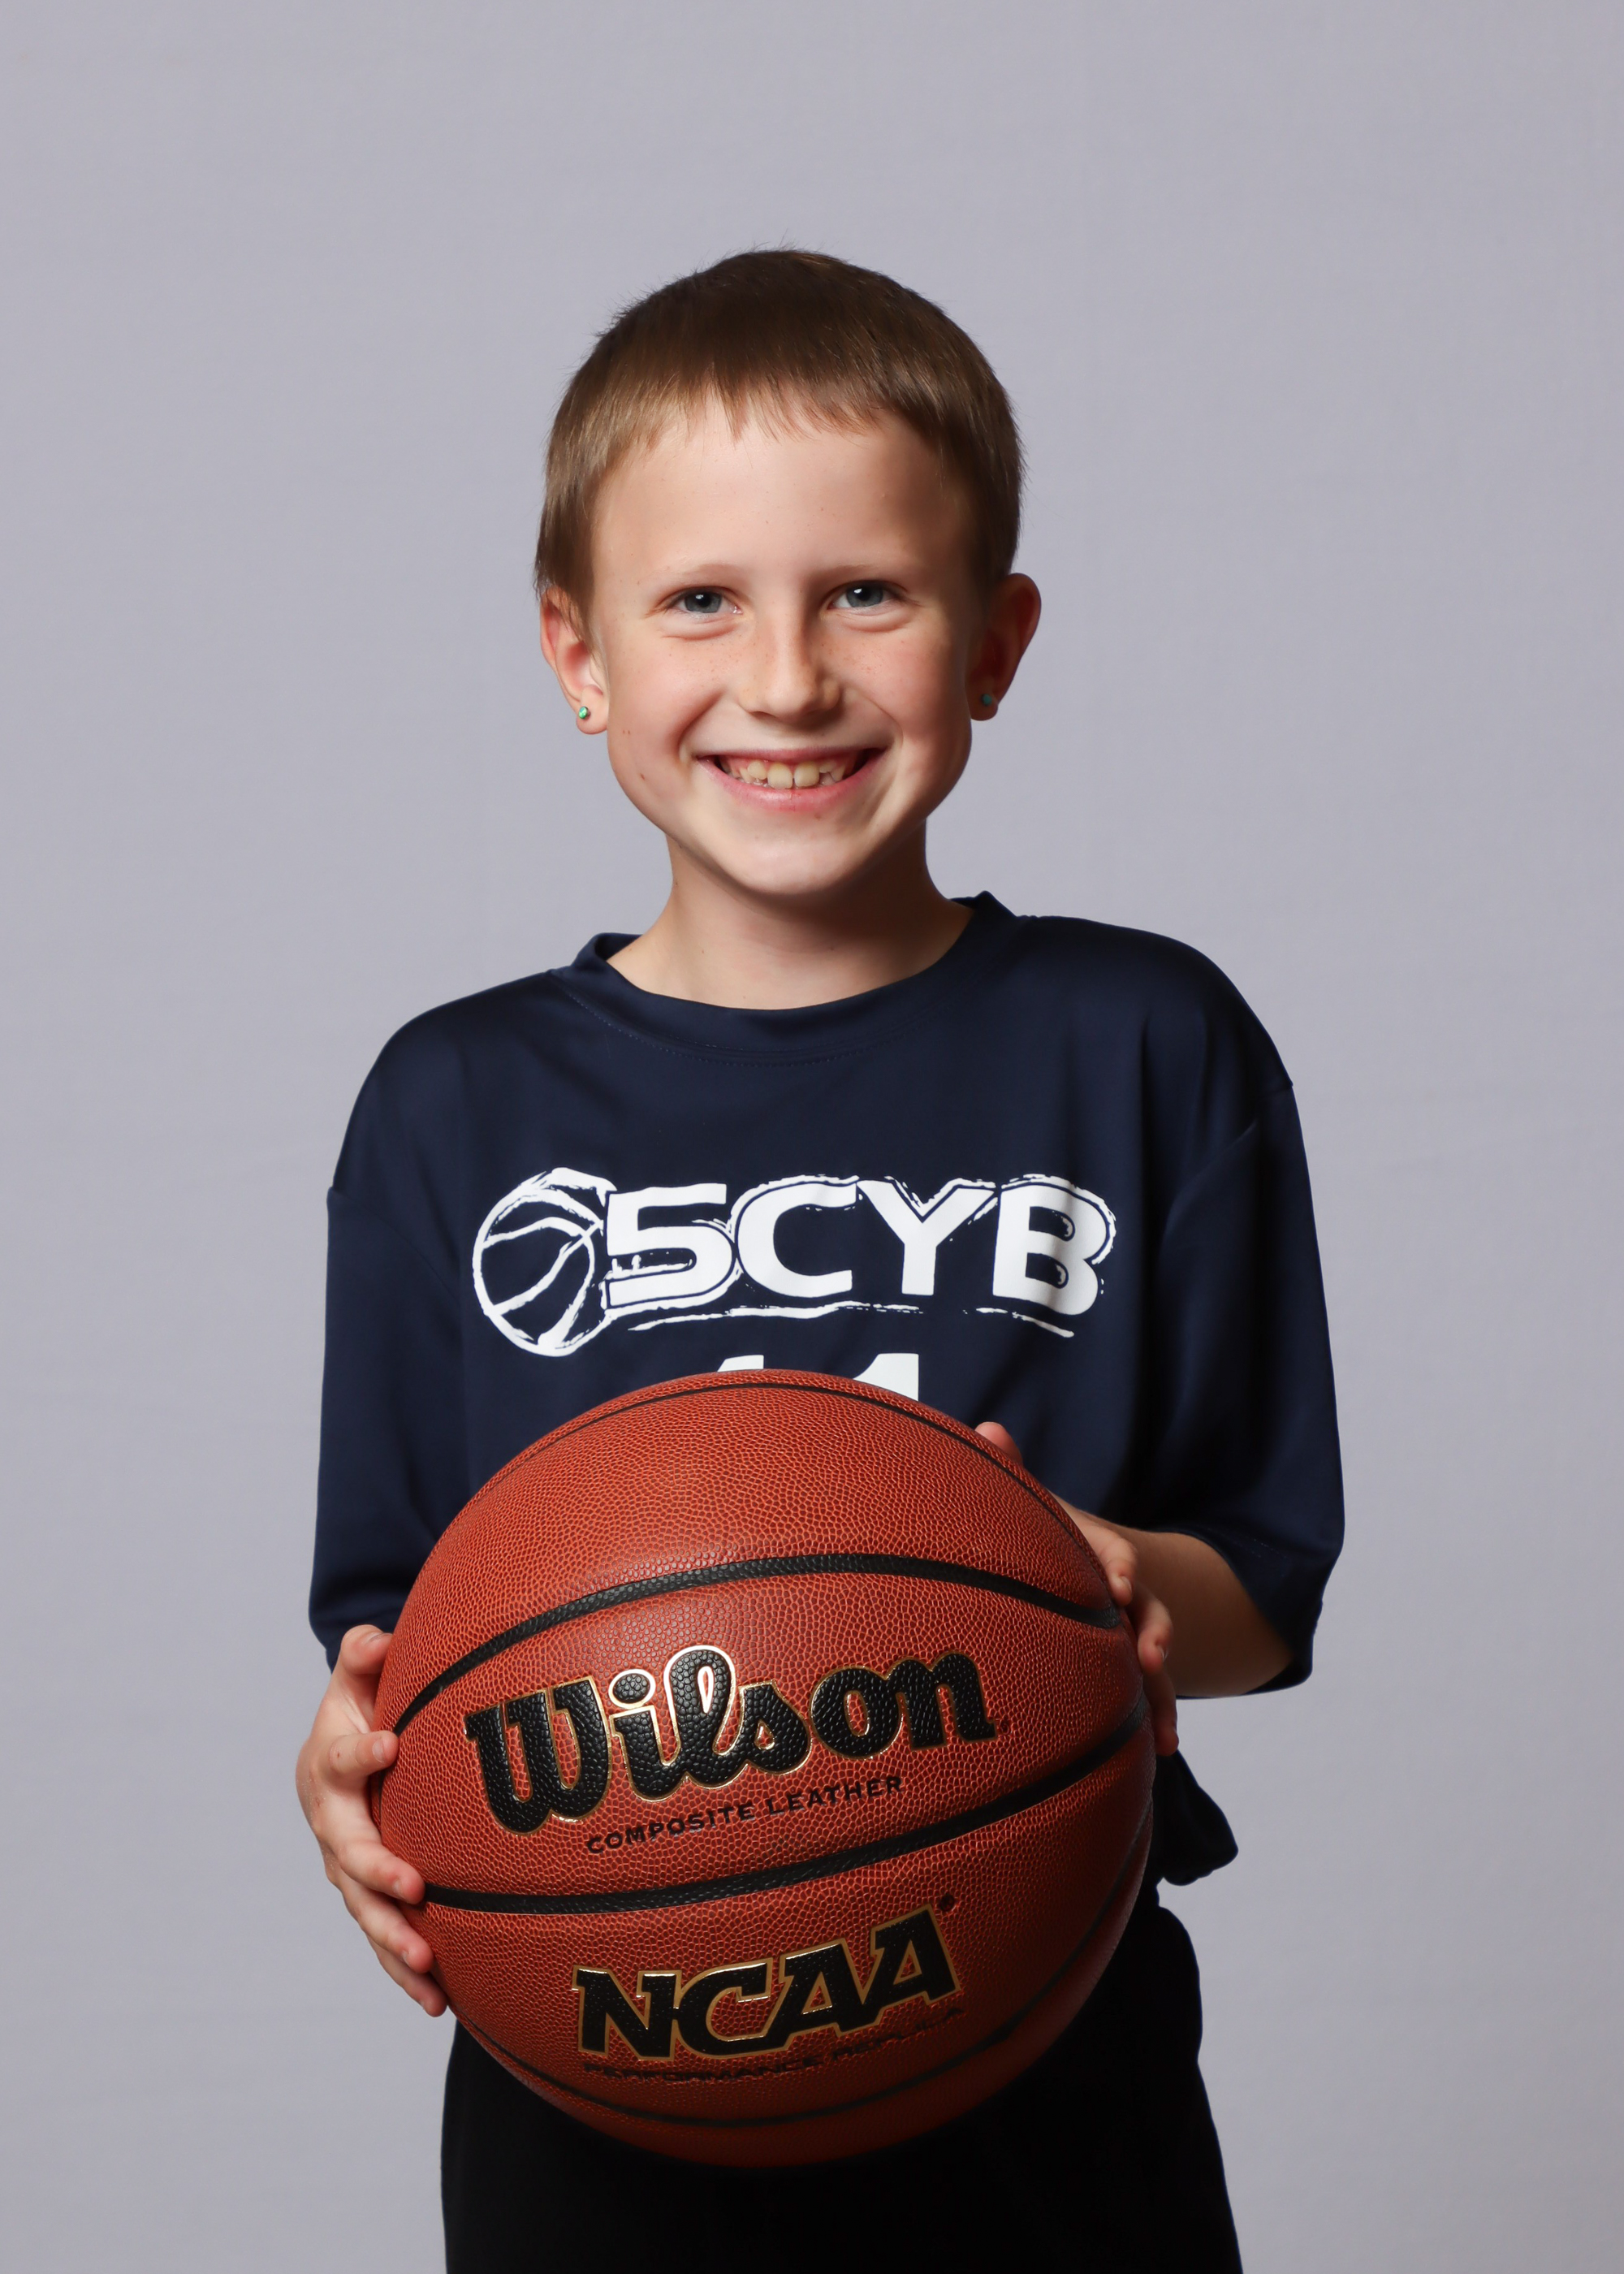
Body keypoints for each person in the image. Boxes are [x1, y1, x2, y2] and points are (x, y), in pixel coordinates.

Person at [296, 250, 1342, 2271]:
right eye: (699, 600)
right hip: (603, 2059)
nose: (784, 679)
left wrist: (1090, 1586)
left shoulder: (1145, 1042)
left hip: (1040, 2020)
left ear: (995, 640)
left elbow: (1261, 1593)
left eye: (867, 591)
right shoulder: (452, 1101)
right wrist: (345, 1771)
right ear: (576, 649)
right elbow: (405, 1656)